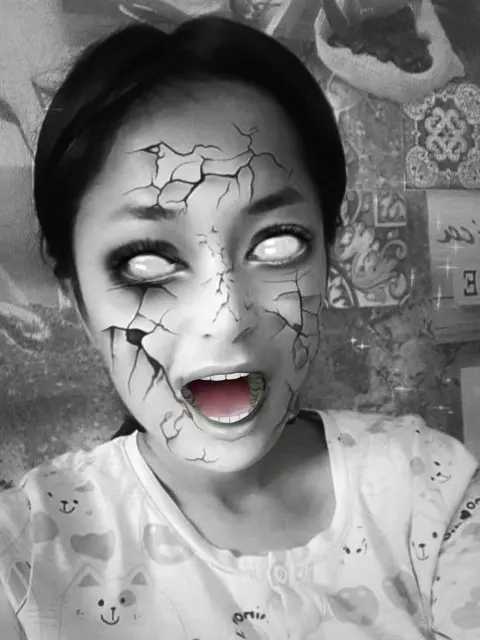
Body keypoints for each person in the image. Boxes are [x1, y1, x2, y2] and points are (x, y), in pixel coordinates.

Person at [0, 16, 479, 640]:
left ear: (328, 254)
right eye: (145, 262)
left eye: (277, 245)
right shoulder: (25, 553)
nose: (227, 321)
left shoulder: (433, 493)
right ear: (75, 295)